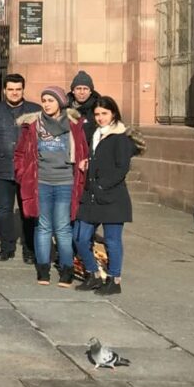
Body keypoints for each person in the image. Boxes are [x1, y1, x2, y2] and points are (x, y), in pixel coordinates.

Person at [14, 86, 89, 288]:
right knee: (43, 226)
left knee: (63, 227)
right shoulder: (33, 125)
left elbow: (83, 151)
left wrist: (84, 167)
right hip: (41, 182)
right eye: (44, 100)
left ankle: (67, 269)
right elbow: (20, 153)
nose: (46, 104)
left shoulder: (73, 124)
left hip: (65, 182)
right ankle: (43, 268)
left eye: (51, 100)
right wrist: (22, 174)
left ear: (61, 102)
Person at [74, 97, 144, 296]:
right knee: (79, 237)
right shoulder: (95, 134)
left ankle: (114, 280)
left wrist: (102, 185)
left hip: (112, 197)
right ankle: (93, 274)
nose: (100, 118)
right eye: (97, 114)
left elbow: (122, 168)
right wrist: (88, 163)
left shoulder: (120, 137)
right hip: (91, 196)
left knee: (112, 241)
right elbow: (100, 159)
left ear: (113, 113)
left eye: (104, 113)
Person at [0, 74, 41, 263]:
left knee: (28, 211)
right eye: (10, 89)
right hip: (0, 168)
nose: (14, 93)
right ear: (4, 90)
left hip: (28, 169)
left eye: (18, 89)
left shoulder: (35, 110)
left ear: (23, 90)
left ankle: (29, 249)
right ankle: (7, 247)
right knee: (4, 210)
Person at [68, 70, 101, 144]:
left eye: (85, 89)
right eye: (78, 88)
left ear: (90, 91)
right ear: (73, 91)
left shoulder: (98, 108)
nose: (82, 92)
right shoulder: (65, 107)